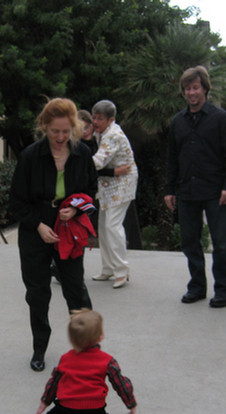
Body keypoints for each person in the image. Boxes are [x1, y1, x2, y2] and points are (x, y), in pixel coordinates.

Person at [9, 98, 98, 372]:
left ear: (73, 127)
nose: (60, 138)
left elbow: (91, 193)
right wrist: (38, 225)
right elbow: (17, 201)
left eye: (65, 131)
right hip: (36, 230)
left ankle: (88, 347)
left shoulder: (83, 154)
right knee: (37, 293)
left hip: (69, 230)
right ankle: (39, 347)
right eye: (54, 131)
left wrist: (75, 209)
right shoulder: (30, 156)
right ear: (44, 126)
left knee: (75, 290)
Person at [164, 66, 226, 308]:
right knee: (189, 241)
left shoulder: (219, 118)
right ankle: (197, 287)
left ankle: (224, 291)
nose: (191, 92)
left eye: (195, 87)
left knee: (220, 242)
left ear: (204, 88)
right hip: (187, 191)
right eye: (187, 88)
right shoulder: (178, 122)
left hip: (216, 192)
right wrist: (169, 189)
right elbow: (172, 158)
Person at [35, 309, 143, 414]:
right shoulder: (108, 361)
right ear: (100, 337)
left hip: (68, 407)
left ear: (72, 339)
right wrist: (131, 403)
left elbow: (53, 382)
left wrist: (45, 402)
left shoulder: (65, 359)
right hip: (95, 408)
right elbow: (120, 383)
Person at [90, 100, 138, 289]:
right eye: (94, 117)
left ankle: (122, 270)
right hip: (109, 182)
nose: (95, 122)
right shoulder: (101, 132)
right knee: (103, 225)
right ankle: (108, 268)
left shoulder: (113, 135)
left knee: (112, 225)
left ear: (111, 120)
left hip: (123, 182)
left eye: (99, 119)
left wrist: (73, 163)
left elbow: (99, 161)